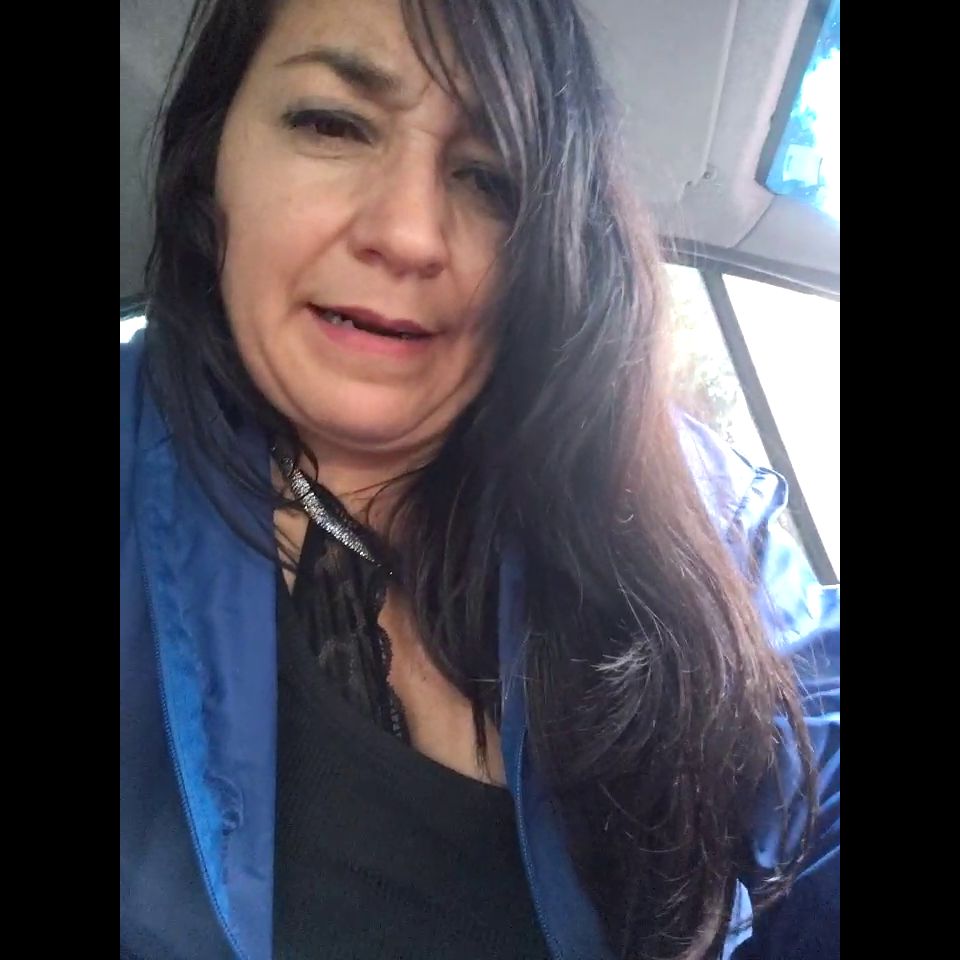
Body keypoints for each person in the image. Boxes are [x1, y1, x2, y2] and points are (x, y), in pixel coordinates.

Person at [120, 0, 840, 957]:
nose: (411, 234)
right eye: (333, 124)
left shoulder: (696, 504)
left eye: (489, 178)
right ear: (213, 164)